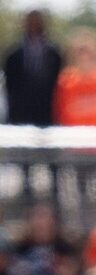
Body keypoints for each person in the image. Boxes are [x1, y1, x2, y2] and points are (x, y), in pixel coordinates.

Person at [4, 9, 62, 203]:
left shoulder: (54, 52)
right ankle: (26, 202)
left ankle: (54, 203)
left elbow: (59, 85)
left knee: (53, 163)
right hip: (23, 117)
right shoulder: (14, 54)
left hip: (49, 116)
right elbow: (10, 90)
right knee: (25, 165)